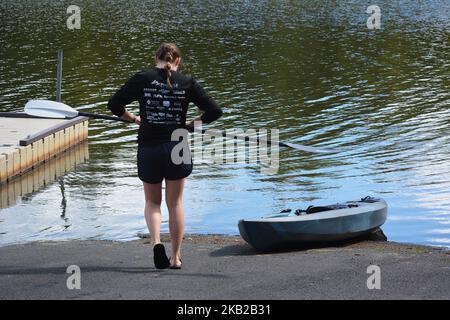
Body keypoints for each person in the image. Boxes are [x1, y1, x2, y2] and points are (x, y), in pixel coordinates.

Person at [107, 43, 222, 269]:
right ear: (177, 61)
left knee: (152, 202)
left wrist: (132, 118)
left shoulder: (142, 78)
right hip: (176, 147)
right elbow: (215, 111)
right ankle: (176, 257)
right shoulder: (187, 82)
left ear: (155, 59)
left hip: (149, 148)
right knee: (175, 203)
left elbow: (114, 104)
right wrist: (191, 125)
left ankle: (157, 242)